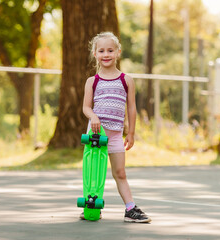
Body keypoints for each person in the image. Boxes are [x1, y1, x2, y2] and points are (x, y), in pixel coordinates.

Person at [81, 32, 151, 223]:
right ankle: (92, 204)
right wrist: (93, 117)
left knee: (120, 173)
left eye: (110, 50)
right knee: (94, 172)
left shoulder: (126, 80)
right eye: (101, 50)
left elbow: (132, 108)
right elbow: (86, 107)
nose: (106, 54)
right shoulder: (92, 81)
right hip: (95, 135)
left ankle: (130, 209)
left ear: (118, 52)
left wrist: (131, 132)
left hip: (115, 135)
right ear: (95, 53)